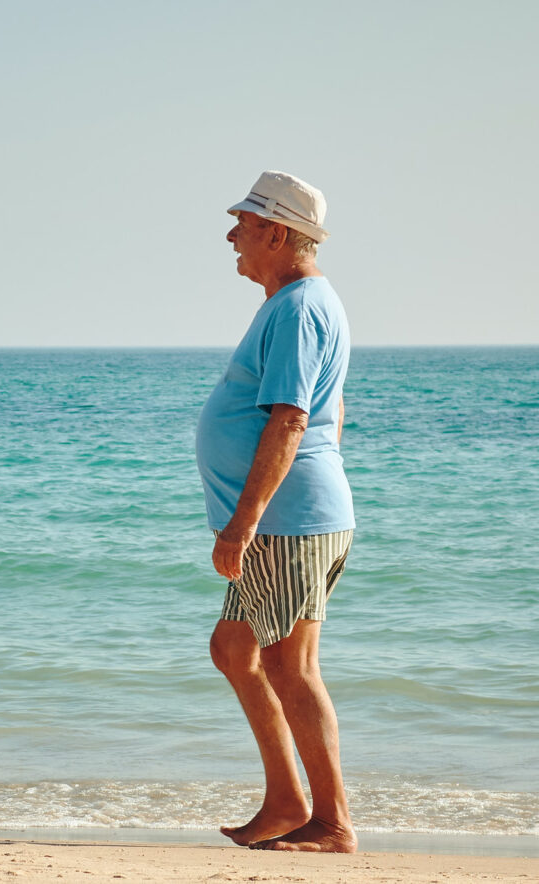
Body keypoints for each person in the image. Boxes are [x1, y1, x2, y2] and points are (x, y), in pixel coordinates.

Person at [195, 171, 357, 853]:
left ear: (277, 232)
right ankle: (288, 802)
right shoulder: (295, 303)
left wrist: (246, 519)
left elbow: (291, 420)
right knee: (236, 649)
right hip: (293, 514)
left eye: (243, 220)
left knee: (290, 667)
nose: (232, 233)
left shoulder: (298, 307)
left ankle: (331, 822)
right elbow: (333, 410)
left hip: (286, 523)